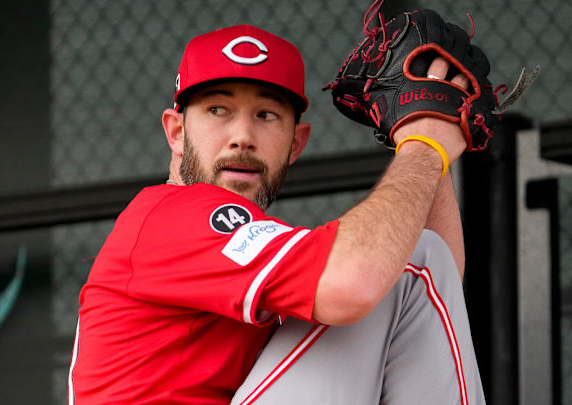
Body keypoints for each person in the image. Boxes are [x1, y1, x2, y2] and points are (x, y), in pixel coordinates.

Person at [68, 23, 485, 405]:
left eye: (266, 115)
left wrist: (426, 133)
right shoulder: (170, 215)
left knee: (397, 261)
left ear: (295, 144)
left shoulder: (253, 253)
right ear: (176, 132)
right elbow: (366, 280)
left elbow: (432, 292)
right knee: (380, 267)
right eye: (218, 110)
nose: (242, 137)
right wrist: (424, 146)